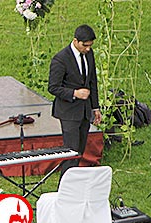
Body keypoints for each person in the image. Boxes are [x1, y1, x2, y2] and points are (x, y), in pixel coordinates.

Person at [48, 24, 102, 179]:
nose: (88, 49)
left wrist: (95, 107)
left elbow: (92, 81)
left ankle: (74, 185)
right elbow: (53, 87)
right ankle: (65, 187)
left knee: (79, 151)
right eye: (85, 46)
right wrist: (74, 93)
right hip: (69, 113)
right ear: (75, 41)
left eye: (90, 46)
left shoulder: (89, 54)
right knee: (71, 153)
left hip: (84, 112)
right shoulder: (61, 59)